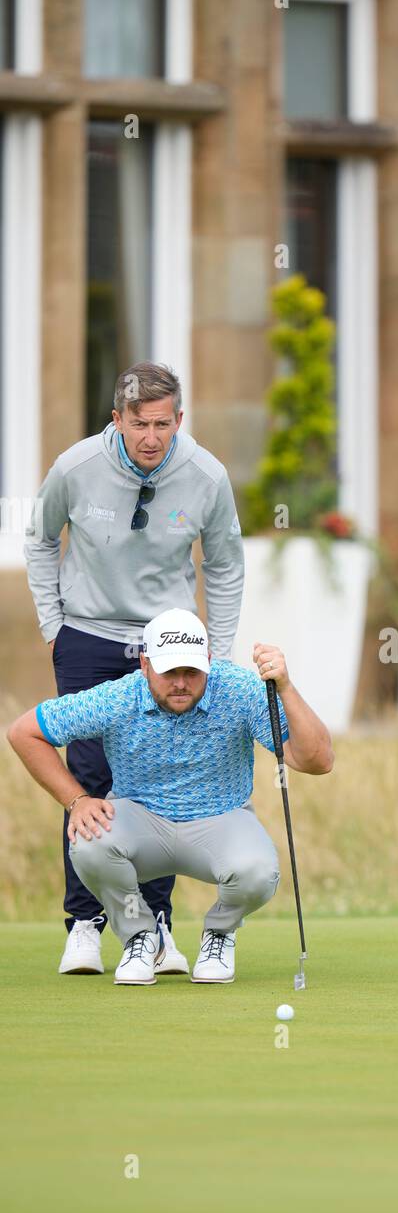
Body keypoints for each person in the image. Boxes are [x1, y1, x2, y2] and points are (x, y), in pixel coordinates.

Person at [23, 362, 245, 978]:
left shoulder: (206, 476)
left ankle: (157, 925)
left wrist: (218, 655)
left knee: (156, 783)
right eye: (139, 423)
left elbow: (226, 564)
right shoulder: (74, 467)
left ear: (180, 419)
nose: (152, 437)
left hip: (169, 643)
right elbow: (40, 539)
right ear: (116, 419)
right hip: (89, 636)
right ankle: (86, 925)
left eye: (164, 424)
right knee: (89, 778)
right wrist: (53, 627)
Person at [6, 609, 333, 985]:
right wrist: (76, 800)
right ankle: (141, 935)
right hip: (141, 820)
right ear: (145, 664)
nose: (180, 683)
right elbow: (24, 732)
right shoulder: (118, 697)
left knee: (258, 872)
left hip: (222, 818)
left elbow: (317, 760)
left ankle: (220, 933)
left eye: (192, 672)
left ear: (209, 662)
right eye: (169, 672)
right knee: (88, 842)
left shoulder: (240, 690)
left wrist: (287, 688)